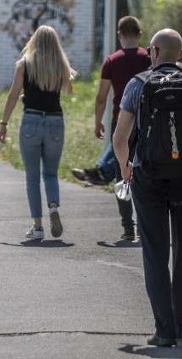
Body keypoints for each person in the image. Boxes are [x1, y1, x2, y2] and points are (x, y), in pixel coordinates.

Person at [112, 28, 182, 347]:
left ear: (153, 52)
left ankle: (164, 329)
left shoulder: (137, 84)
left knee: (154, 253)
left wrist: (125, 170)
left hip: (149, 178)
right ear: (181, 54)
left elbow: (120, 139)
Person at [72, 16, 151, 242]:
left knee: (122, 175)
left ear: (119, 35)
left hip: (121, 123)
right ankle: (147, 225)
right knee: (146, 174)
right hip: (147, 121)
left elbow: (101, 97)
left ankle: (128, 228)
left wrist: (98, 121)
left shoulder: (111, 61)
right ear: (139, 34)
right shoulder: (149, 58)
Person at [0, 25, 77, 241]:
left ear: (34, 40)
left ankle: (37, 226)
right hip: (55, 122)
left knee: (32, 177)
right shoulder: (60, 64)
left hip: (31, 121)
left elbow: (13, 95)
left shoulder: (24, 64)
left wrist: (3, 122)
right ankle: (53, 207)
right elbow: (68, 90)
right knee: (50, 173)